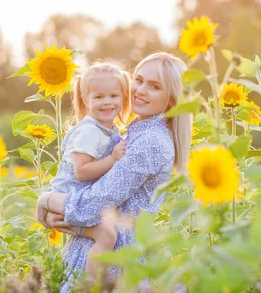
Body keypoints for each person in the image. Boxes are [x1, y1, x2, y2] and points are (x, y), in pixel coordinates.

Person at [36, 52, 192, 291]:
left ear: (171, 99)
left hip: (118, 259)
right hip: (103, 248)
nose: (139, 90)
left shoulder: (152, 141)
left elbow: (99, 201)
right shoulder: (134, 129)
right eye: (138, 80)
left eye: (154, 86)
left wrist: (47, 200)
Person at [49, 62, 131, 279]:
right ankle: (91, 285)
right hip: (68, 199)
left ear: (123, 96)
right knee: (106, 235)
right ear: (86, 99)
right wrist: (113, 158)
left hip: (79, 199)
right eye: (98, 97)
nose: (107, 102)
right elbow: (82, 172)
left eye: (114, 95)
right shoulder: (89, 132)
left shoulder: (108, 128)